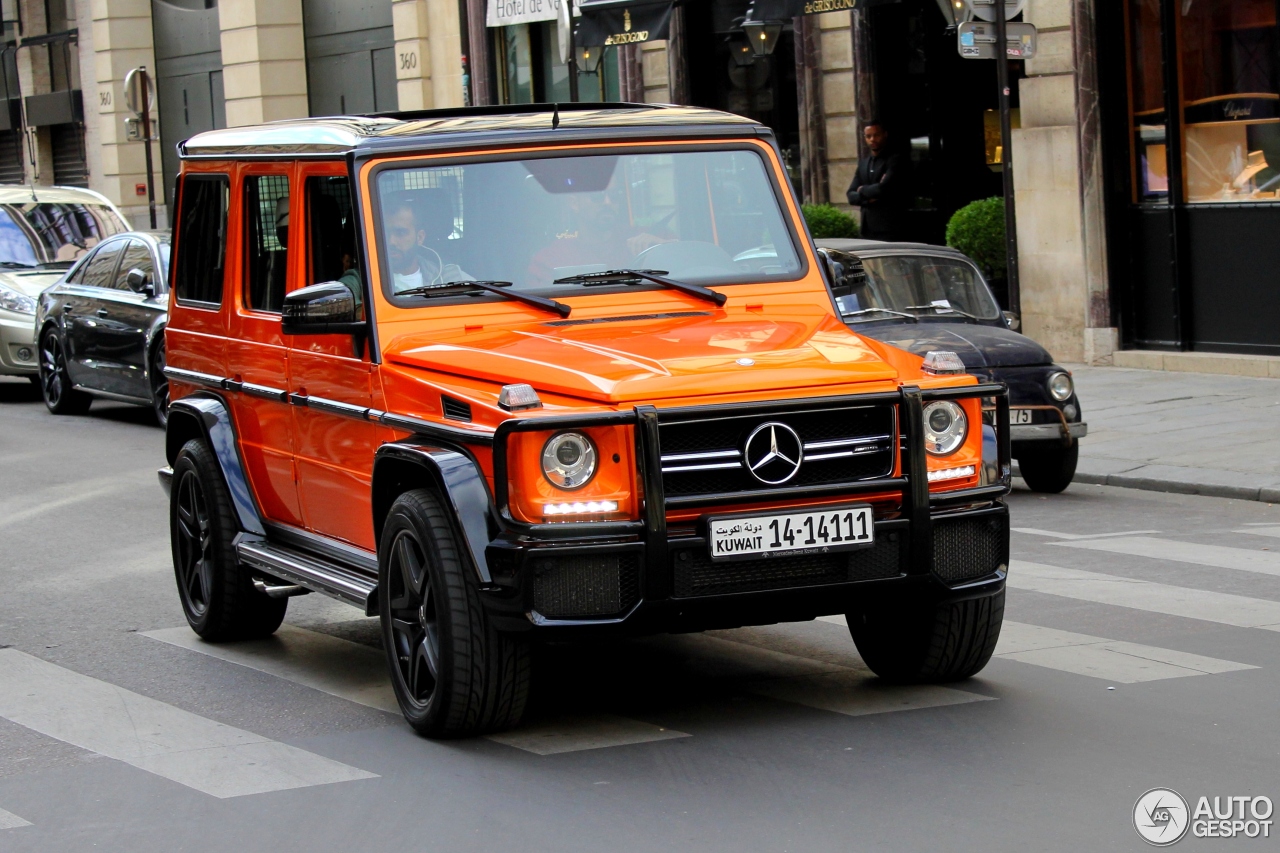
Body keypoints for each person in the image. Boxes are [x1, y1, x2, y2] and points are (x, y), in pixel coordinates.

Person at [383, 191, 472, 292]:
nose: (391, 242)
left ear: (420, 237)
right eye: (385, 233)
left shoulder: (452, 279)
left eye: (401, 233)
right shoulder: (365, 281)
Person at [846, 121, 909, 241]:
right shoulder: (863, 163)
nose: (872, 139)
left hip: (891, 227)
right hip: (867, 228)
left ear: (885, 135)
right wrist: (869, 197)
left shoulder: (894, 160)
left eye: (876, 135)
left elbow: (884, 189)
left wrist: (862, 189)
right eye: (868, 136)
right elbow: (850, 195)